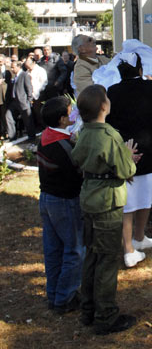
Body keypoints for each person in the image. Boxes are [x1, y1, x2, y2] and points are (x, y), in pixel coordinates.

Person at [71, 84, 137, 335]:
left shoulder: (84, 131)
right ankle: (106, 316)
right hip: (107, 203)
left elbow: (77, 158)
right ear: (103, 106)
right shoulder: (108, 135)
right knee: (107, 260)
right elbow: (126, 170)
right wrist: (128, 157)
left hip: (89, 197)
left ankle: (88, 310)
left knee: (92, 256)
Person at [106, 53, 152, 268]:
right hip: (149, 150)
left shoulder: (112, 91)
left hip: (126, 149)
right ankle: (130, 247)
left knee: (131, 201)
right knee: (142, 197)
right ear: (139, 70)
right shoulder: (149, 88)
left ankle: (136, 240)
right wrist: (149, 80)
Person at [37, 96, 84, 313]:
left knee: (53, 248)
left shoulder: (46, 138)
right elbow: (77, 173)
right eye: (70, 111)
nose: (73, 113)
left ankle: (54, 293)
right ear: (63, 119)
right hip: (65, 200)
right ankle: (65, 297)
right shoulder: (63, 145)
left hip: (47, 198)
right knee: (73, 249)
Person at [5, 60, 36, 144]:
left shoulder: (24, 75)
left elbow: (29, 88)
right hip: (14, 101)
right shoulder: (15, 76)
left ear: (18, 67)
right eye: (11, 67)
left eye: (13, 67)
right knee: (8, 116)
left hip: (23, 101)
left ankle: (32, 137)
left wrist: (29, 100)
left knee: (27, 120)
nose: (12, 69)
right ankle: (12, 137)